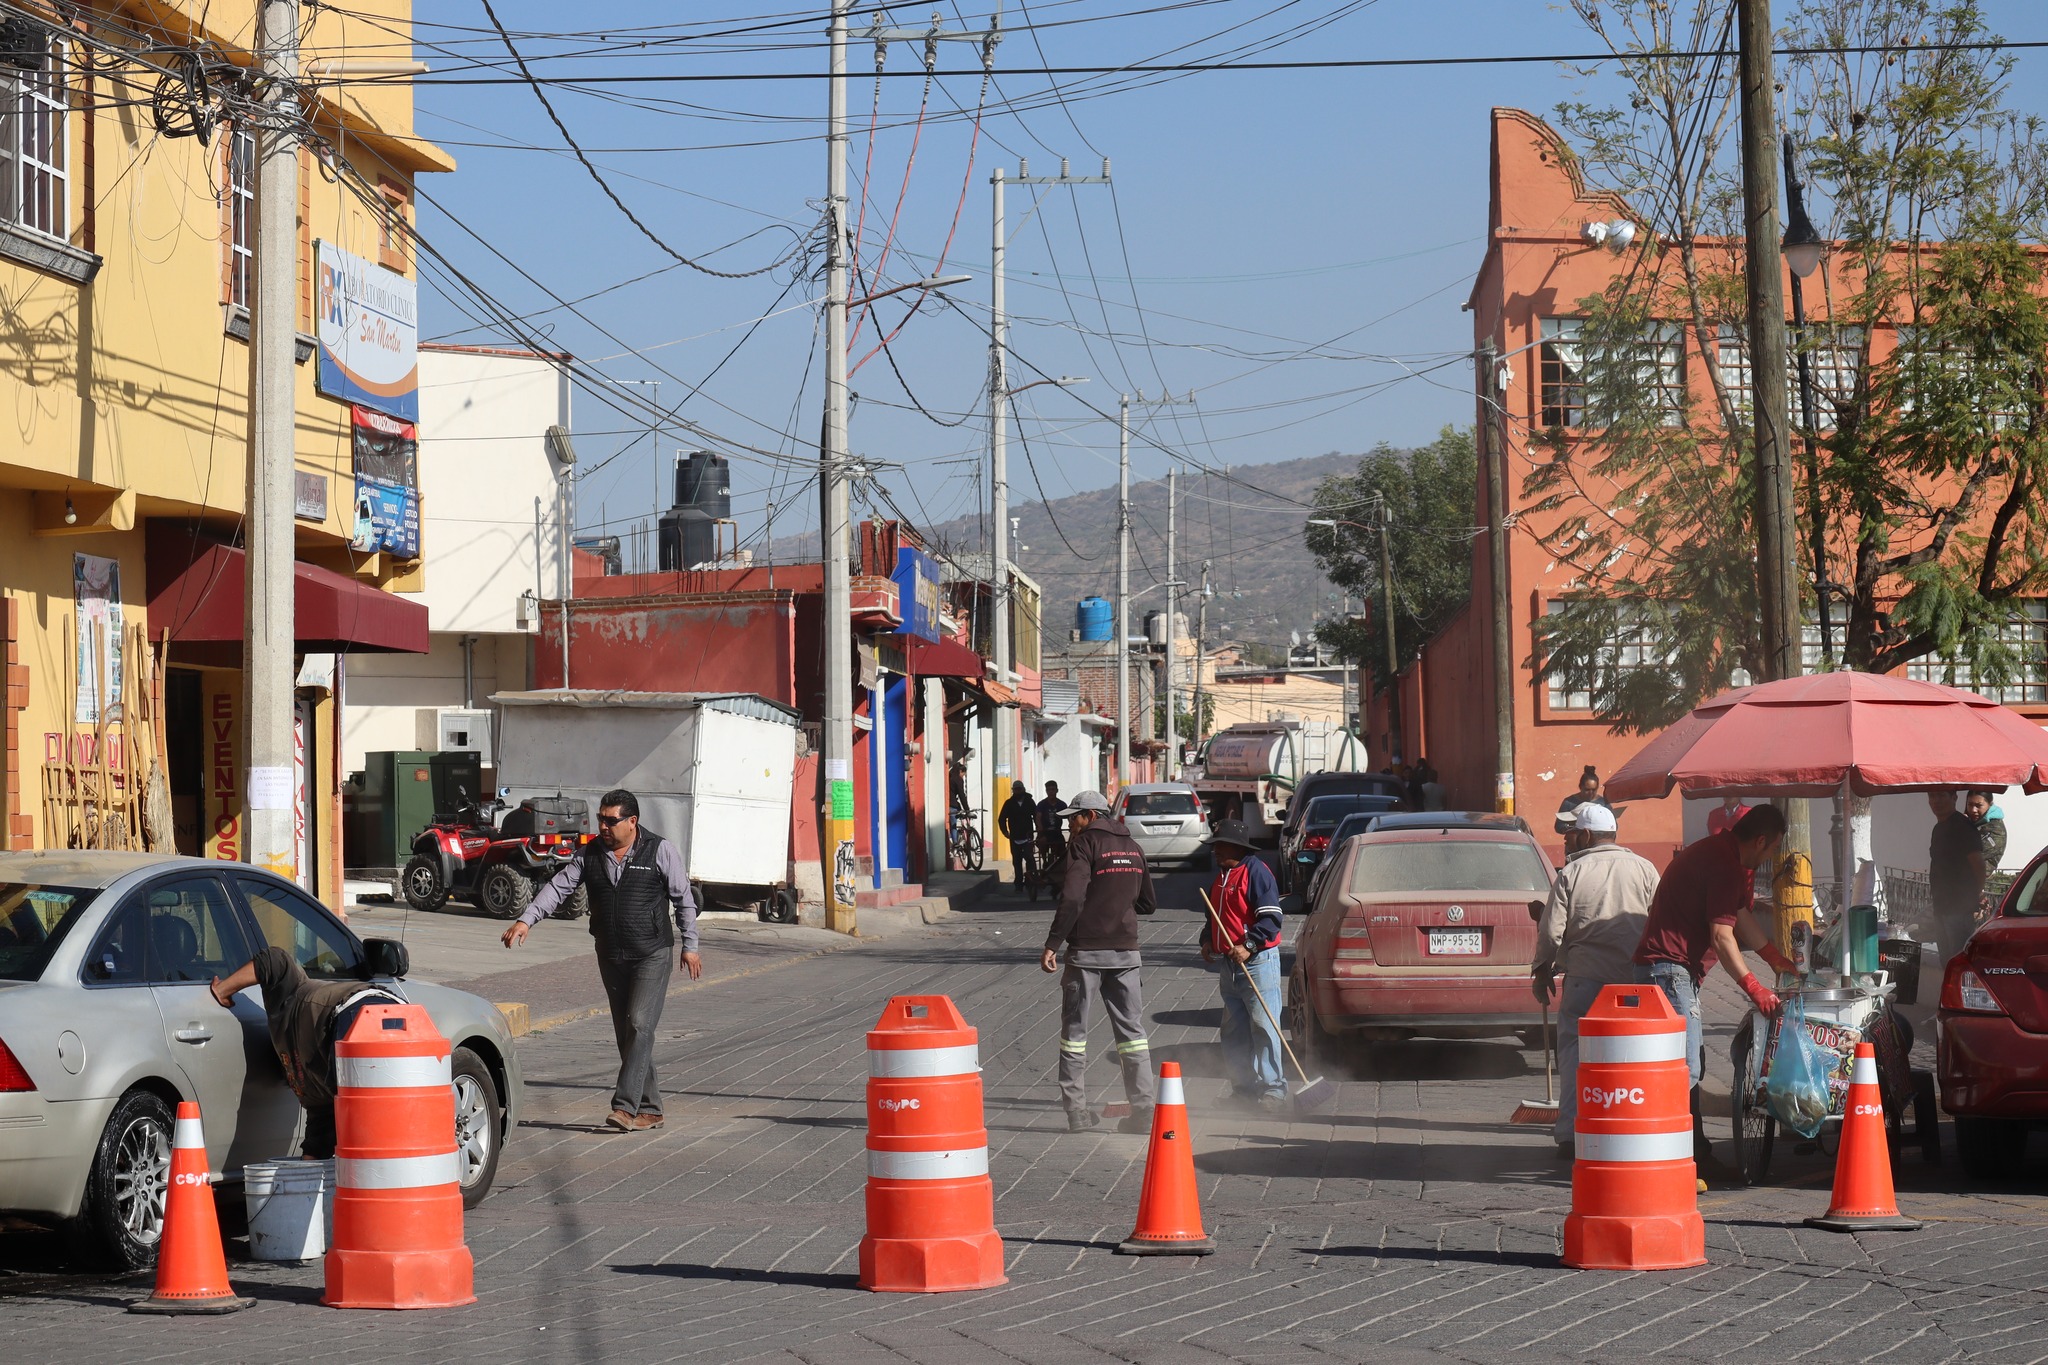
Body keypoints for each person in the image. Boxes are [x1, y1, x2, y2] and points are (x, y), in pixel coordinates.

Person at [502, 789, 700, 1132]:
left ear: (632, 821)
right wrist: (526, 919)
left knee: (639, 1024)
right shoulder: (589, 853)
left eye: (611, 820)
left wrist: (690, 945)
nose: (603, 826)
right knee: (628, 1032)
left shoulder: (659, 850)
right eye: (601, 819)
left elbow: (684, 899)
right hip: (610, 953)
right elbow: (558, 887)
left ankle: (624, 1107)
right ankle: (651, 1108)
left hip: (652, 953)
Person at [1633, 803, 1797, 1178]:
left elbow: (1739, 916)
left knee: (1687, 1064)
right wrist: (1755, 988)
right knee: (1684, 1069)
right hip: (1668, 973)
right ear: (1759, 841)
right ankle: (1684, 1159)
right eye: (1772, 850)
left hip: (1666, 971)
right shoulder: (1723, 863)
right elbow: (1722, 938)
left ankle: (1691, 1152)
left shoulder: (1721, 854)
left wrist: (1774, 958)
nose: (1770, 858)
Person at [1532, 803, 1659, 1156]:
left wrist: (1541, 970)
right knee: (1631, 1057)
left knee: (1574, 1054)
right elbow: (1659, 921)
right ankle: (1629, 1125)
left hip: (1585, 980)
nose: (1567, 841)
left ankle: (1571, 1134)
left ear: (1586, 835)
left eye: (1571, 834)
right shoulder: (1646, 869)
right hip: (1634, 982)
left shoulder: (1573, 872)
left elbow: (1551, 930)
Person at [209, 948, 405, 1159]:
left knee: (368, 1121)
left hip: (360, 1010)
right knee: (381, 1125)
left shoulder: (293, 995)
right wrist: (304, 1176)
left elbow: (275, 959)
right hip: (391, 1017)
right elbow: (319, 1135)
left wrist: (223, 989)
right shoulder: (312, 1091)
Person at [1039, 790, 1158, 1133]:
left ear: (1090, 816)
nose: (1069, 826)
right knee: (1133, 1034)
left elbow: (1073, 896)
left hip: (1086, 955)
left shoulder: (1084, 845)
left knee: (1074, 1036)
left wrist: (1052, 943)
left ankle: (1076, 1113)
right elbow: (1149, 902)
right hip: (1126, 954)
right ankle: (1144, 1112)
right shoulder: (1133, 847)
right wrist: (1118, 903)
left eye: (1073, 818)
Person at [1204, 819, 1288, 1112]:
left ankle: (1274, 1091)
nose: (1214, 851)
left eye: (1219, 846)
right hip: (1229, 965)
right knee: (1233, 1031)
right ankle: (1242, 1090)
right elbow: (1214, 915)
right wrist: (1207, 939)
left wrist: (1249, 945)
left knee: (1263, 1026)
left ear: (1236, 848)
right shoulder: (1222, 875)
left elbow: (1271, 918)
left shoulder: (1256, 872)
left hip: (1257, 963)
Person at [1928, 788, 1987, 955]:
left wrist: (1976, 894)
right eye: (1932, 795)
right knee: (1946, 962)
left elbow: (1979, 864)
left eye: (1941, 794)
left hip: (1959, 909)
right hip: (1941, 906)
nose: (1936, 800)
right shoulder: (1938, 828)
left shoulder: (1963, 826)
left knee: (1958, 961)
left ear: (1954, 797)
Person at [1556, 766, 1613, 856]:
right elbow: (1558, 826)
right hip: (1574, 849)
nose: (1590, 793)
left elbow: (1614, 826)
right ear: (1580, 787)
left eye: (1594, 790)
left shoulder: (1604, 803)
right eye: (1587, 790)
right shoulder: (1569, 802)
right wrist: (1572, 827)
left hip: (1597, 848)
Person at [999, 780, 1041, 895]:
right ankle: (1018, 884)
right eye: (1015, 789)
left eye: (1019, 789)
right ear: (1013, 791)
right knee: (1017, 861)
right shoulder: (1009, 803)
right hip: (1014, 837)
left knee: (1030, 859)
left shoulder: (1029, 801)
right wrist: (1005, 832)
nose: (1018, 791)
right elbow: (1001, 819)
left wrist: (1038, 829)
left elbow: (1036, 816)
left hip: (1028, 836)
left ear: (1023, 790)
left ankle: (1030, 881)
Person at [1966, 789, 2008, 879]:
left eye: (1978, 805)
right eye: (1970, 804)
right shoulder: (1971, 823)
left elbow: (1970, 853)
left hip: (1976, 883)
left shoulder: (1996, 829)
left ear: (1990, 804)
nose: (1973, 810)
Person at [1037, 780, 1069, 876]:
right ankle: (1045, 861)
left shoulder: (1062, 804)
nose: (1051, 792)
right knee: (1041, 844)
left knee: (1064, 851)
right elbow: (1038, 818)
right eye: (1048, 790)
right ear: (1046, 791)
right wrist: (1040, 828)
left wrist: (1072, 826)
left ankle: (1060, 867)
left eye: (1053, 789)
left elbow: (1069, 817)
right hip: (1045, 833)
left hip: (1057, 833)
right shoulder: (1041, 804)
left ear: (1057, 790)